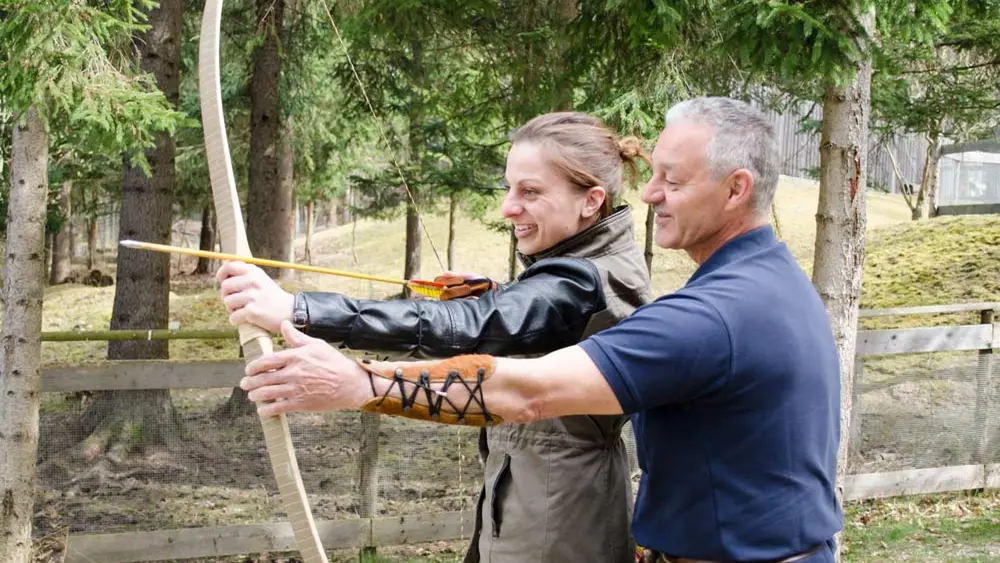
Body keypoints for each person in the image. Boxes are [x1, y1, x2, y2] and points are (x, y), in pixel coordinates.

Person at [235, 96, 845, 563]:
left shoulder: (710, 312)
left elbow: (525, 392)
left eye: (673, 181)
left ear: (736, 188)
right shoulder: (772, 280)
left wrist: (349, 374)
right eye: (654, 173)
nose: (652, 193)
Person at [217, 112, 654, 563]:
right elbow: (546, 321)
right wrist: (502, 295)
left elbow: (477, 323)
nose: (508, 207)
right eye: (508, 187)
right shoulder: (590, 266)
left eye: (530, 191)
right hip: (538, 500)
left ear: (591, 200)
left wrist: (297, 310)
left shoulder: (582, 281)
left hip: (557, 519)